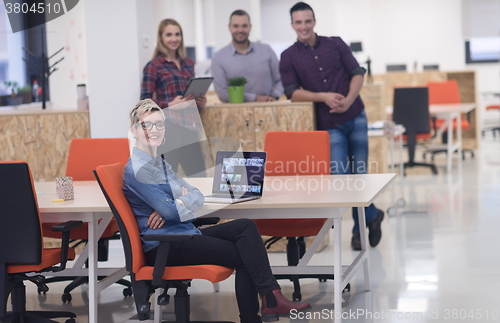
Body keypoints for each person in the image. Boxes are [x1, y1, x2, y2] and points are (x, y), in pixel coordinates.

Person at [123, 99, 311, 323]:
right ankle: (259, 311)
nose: (154, 130)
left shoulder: (158, 163)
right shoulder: (138, 169)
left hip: (183, 232)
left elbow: (196, 194)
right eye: (147, 125)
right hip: (166, 244)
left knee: (245, 227)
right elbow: (172, 211)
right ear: (135, 130)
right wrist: (174, 205)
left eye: (159, 124)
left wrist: (177, 202)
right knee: (245, 255)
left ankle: (271, 297)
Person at [279, 2, 384, 251]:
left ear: (314, 21)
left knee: (359, 176)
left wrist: (348, 99)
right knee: (341, 179)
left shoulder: (336, 43)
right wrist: (324, 96)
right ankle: (372, 215)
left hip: (356, 116)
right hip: (329, 125)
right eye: (298, 22)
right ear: (292, 25)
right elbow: (292, 92)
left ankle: (359, 230)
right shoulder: (288, 56)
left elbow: (358, 72)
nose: (303, 26)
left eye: (307, 21)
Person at [141, 19, 207, 177]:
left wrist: (200, 102)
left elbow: (188, 97)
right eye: (169, 34)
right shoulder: (154, 66)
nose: (174, 38)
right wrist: (170, 104)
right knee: (168, 180)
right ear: (161, 38)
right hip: (169, 128)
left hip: (190, 127)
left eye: (177, 34)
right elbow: (144, 102)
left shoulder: (188, 63)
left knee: (200, 179)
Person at [211, 10, 284, 103]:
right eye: (236, 26)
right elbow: (223, 93)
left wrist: (275, 95)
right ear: (229, 27)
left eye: (244, 26)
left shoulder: (267, 50)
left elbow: (280, 80)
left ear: (250, 27)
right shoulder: (218, 58)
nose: (240, 30)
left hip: (268, 108)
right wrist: (255, 97)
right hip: (235, 113)